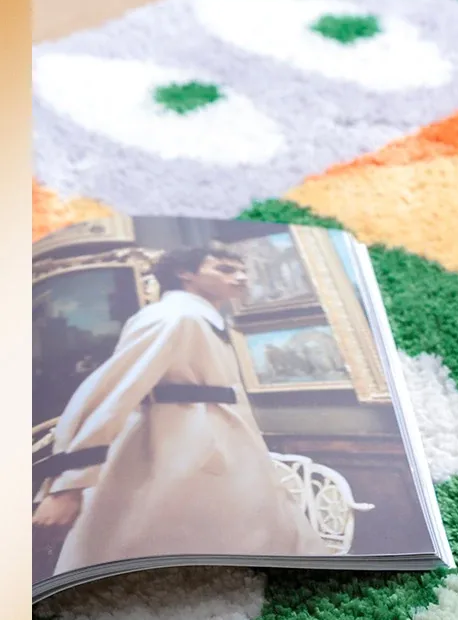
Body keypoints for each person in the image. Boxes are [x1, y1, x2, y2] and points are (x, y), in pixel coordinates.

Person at [33, 245, 329, 573]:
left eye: (241, 270)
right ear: (184, 273)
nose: (240, 277)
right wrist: (69, 484)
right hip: (174, 451)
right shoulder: (172, 317)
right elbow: (112, 391)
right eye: (225, 269)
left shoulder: (204, 320)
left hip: (224, 449)